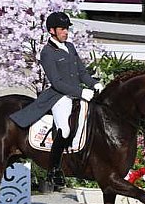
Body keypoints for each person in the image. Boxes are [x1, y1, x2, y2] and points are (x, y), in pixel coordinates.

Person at [10, 11, 103, 187]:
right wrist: (81, 92)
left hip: (76, 94)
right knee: (65, 129)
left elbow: (82, 73)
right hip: (60, 96)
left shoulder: (70, 47)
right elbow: (57, 82)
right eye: (62, 29)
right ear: (52, 31)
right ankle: (53, 170)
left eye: (67, 29)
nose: (66, 32)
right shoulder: (47, 52)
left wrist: (94, 83)